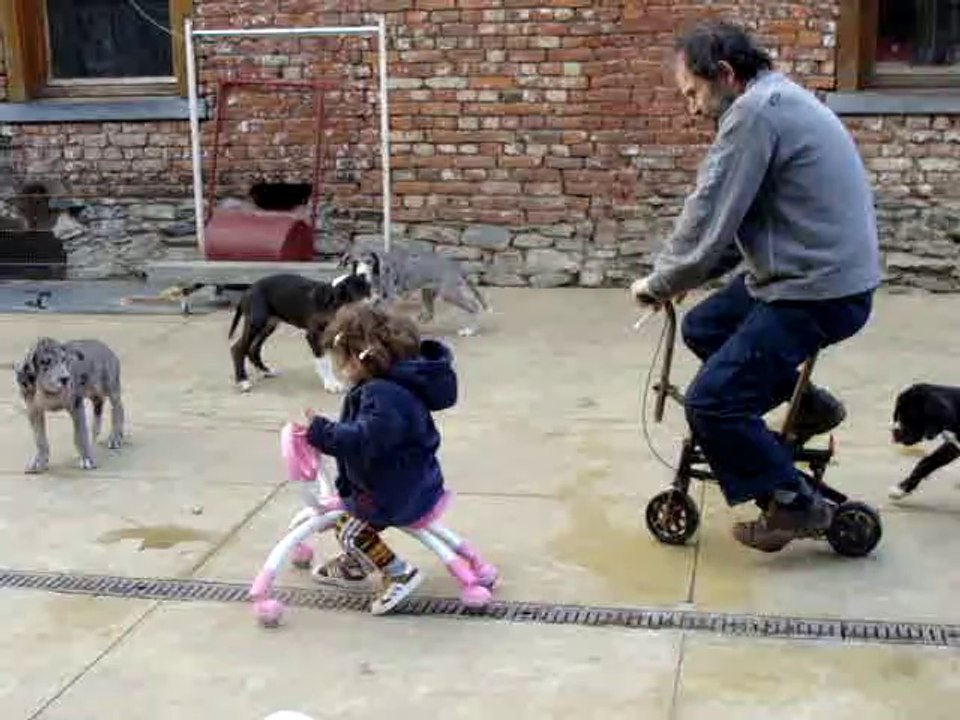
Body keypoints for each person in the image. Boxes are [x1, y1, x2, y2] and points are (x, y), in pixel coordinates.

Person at [630, 20, 882, 553]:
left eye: (694, 93)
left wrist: (660, 280)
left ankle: (792, 503)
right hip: (811, 278)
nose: (692, 108)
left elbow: (708, 213)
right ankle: (807, 405)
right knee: (706, 325)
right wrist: (686, 279)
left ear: (724, 74)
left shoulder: (752, 114)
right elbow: (732, 224)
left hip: (815, 289)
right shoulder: (774, 100)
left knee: (711, 403)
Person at [303, 303, 457, 614]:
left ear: (361, 357)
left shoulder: (383, 394)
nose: (339, 369)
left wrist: (323, 432)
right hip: (413, 482)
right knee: (352, 517)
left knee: (348, 526)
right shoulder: (392, 386)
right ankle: (356, 565)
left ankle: (399, 573)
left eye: (340, 360)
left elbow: (366, 439)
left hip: (394, 493)